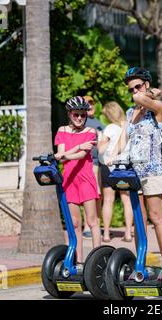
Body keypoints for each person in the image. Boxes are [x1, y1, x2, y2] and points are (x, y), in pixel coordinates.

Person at [117, 67, 162, 262]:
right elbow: (124, 139)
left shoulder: (158, 108)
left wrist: (148, 94)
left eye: (137, 86)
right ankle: (140, 260)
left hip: (153, 170)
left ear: (146, 84)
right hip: (133, 171)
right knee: (140, 220)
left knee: (156, 217)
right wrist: (110, 158)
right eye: (130, 89)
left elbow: (141, 100)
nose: (134, 92)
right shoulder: (131, 112)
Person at [54, 96, 101, 263]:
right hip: (69, 180)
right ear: (69, 114)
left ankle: (97, 260)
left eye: (83, 114)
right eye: (76, 114)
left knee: (92, 221)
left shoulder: (90, 132)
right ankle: (77, 261)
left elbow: (76, 156)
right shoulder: (61, 130)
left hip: (86, 178)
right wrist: (77, 147)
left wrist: (67, 153)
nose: (80, 118)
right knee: (74, 223)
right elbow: (62, 158)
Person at [97, 101, 134, 243]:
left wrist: (101, 139)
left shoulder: (109, 128)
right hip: (125, 166)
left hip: (109, 166)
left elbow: (100, 150)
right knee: (127, 200)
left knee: (108, 200)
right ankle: (128, 233)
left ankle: (106, 234)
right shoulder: (128, 128)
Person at [81, 95, 105, 239]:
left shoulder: (98, 123)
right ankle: (87, 226)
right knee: (88, 194)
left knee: (97, 195)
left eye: (92, 103)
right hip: (87, 163)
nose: (90, 106)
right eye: (87, 103)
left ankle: (97, 224)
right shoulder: (81, 122)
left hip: (98, 163)